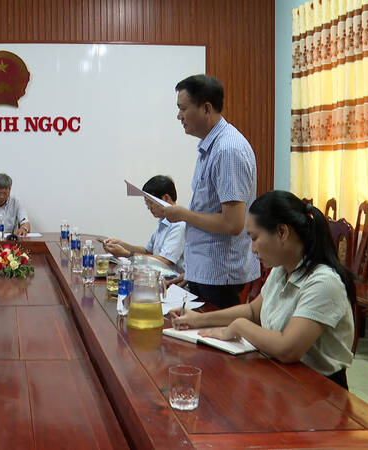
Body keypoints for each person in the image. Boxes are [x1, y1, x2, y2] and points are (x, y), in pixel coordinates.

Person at [171, 190, 355, 389]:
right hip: (282, 379)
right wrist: (198, 320)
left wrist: (238, 326)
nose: (252, 249)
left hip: (321, 391)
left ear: (282, 232)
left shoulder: (323, 283)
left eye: (255, 238)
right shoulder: (281, 270)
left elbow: (287, 348)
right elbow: (253, 311)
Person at [150, 74, 259, 308]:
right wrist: (192, 270)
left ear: (206, 108)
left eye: (183, 108)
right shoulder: (210, 146)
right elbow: (208, 212)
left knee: (212, 338)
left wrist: (181, 214)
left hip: (221, 274)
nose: (178, 116)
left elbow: (233, 224)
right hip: (205, 270)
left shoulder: (228, 150)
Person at [103, 175, 185, 269]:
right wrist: (122, 245)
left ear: (165, 198)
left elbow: (164, 261)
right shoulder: (163, 222)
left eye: (150, 202)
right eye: (147, 203)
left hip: (172, 281)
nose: (148, 207)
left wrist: (127, 254)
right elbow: (148, 252)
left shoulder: (179, 225)